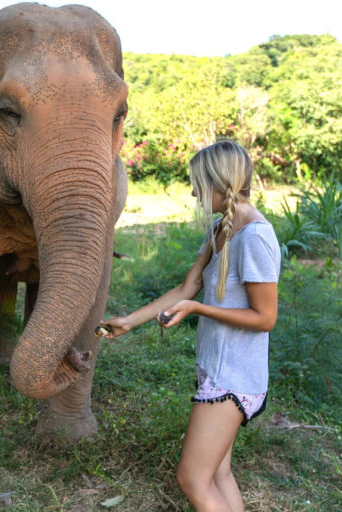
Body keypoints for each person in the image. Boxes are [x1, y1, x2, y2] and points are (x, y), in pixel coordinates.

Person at [98, 140, 281, 512]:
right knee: (217, 474)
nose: (193, 192)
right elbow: (186, 288)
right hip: (215, 367)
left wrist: (199, 309)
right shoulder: (220, 228)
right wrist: (129, 322)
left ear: (219, 182)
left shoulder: (256, 238)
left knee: (192, 479)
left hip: (233, 378)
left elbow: (266, 319)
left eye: (197, 183)